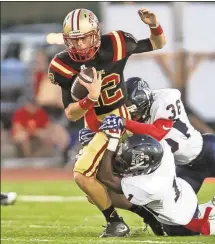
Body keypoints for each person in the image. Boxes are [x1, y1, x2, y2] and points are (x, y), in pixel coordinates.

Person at [48, 8, 166, 237]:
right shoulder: (62, 64)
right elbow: (71, 114)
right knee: (96, 189)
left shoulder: (116, 44)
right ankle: (148, 215)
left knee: (82, 174)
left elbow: (157, 43)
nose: (80, 45)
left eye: (84, 37)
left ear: (95, 34)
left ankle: (116, 223)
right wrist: (91, 98)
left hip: (117, 121)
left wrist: (154, 24)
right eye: (74, 40)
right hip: (92, 125)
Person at [94, 132, 215, 236]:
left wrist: (111, 140)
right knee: (194, 211)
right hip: (184, 196)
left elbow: (106, 178)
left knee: (213, 229)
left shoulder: (149, 186)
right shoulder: (162, 151)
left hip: (180, 224)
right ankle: (212, 208)